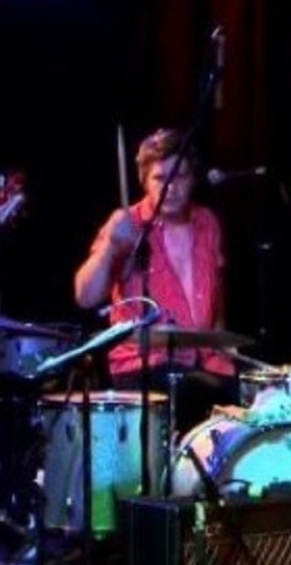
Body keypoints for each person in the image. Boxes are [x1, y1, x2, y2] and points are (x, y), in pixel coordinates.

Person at [73, 126, 238, 435]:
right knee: (192, 394)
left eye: (180, 177)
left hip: (205, 363)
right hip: (144, 365)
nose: (170, 188)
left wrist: (223, 345)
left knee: (255, 404)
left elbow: (217, 297)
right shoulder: (129, 223)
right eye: (160, 179)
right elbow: (84, 296)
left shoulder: (208, 222)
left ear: (193, 178)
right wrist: (110, 246)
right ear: (144, 181)